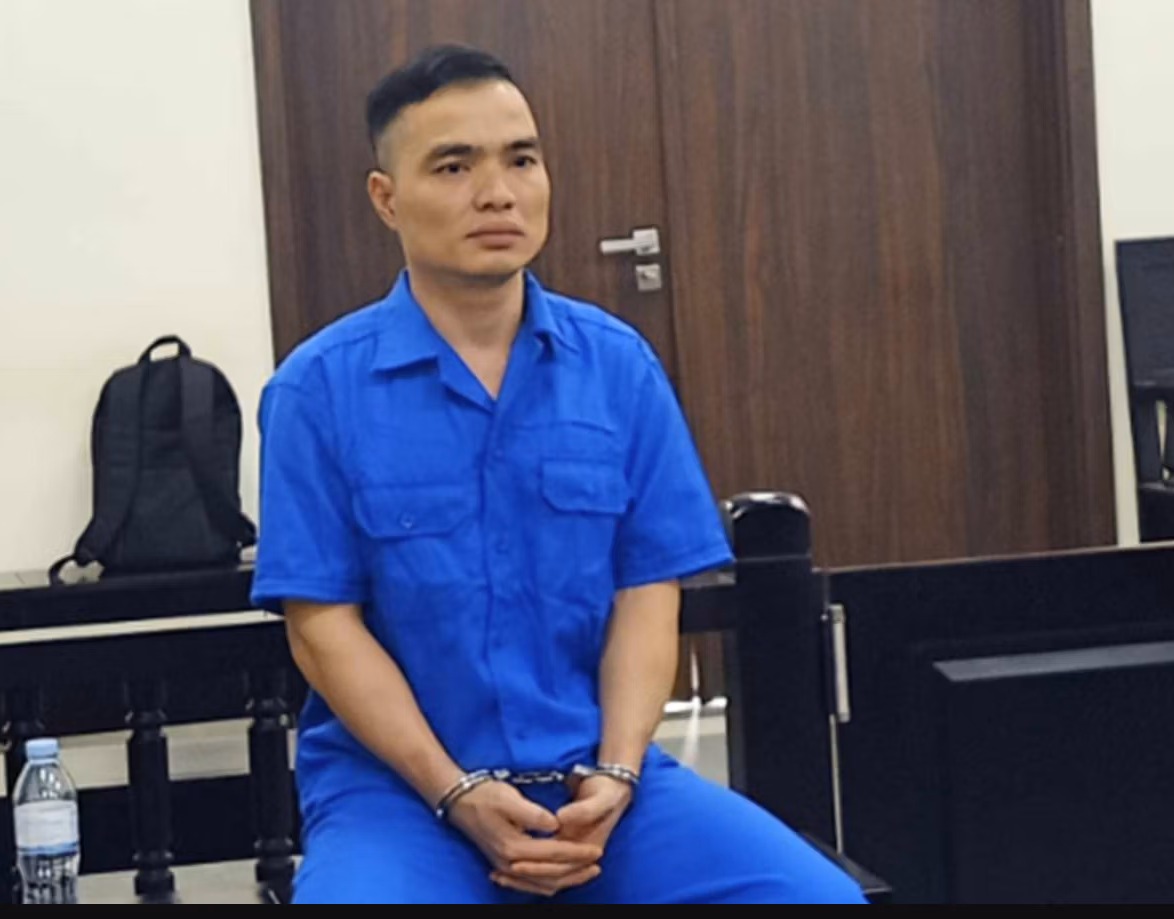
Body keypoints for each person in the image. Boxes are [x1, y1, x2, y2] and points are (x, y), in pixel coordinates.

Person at [251, 44, 865, 906]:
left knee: (814, 899)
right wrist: (456, 791)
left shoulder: (617, 365)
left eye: (521, 160)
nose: (497, 192)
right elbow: (322, 627)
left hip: (597, 783)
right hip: (402, 795)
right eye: (454, 166)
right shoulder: (315, 390)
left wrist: (617, 772)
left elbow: (647, 591)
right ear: (385, 198)